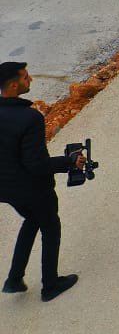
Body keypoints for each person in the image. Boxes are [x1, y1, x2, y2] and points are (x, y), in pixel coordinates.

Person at [0, 62, 82, 302]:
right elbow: (36, 165)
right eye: (26, 77)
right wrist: (69, 161)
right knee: (50, 227)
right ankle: (51, 285)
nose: (31, 79)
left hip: (5, 189)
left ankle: (14, 279)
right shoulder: (30, 118)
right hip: (33, 189)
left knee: (32, 219)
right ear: (14, 85)